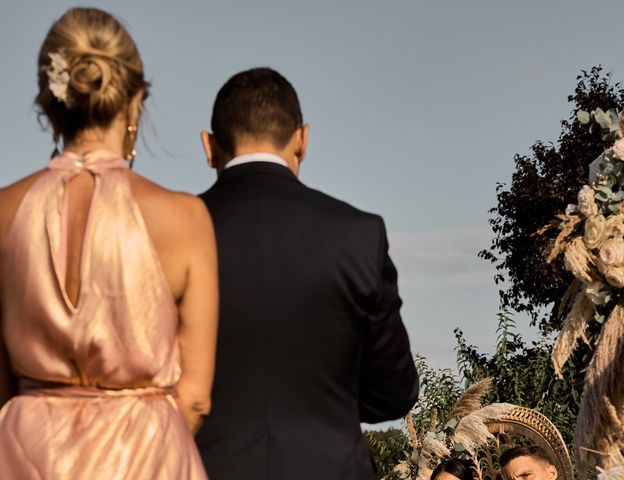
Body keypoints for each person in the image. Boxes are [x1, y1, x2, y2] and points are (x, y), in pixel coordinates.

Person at [0, 8, 218, 479]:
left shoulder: (3, 213)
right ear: (135, 102)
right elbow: (196, 397)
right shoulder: (185, 219)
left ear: (49, 102)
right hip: (148, 459)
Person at [197, 67, 419, 479]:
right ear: (302, 139)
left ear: (209, 147)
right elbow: (394, 394)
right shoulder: (357, 234)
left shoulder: (168, 236)